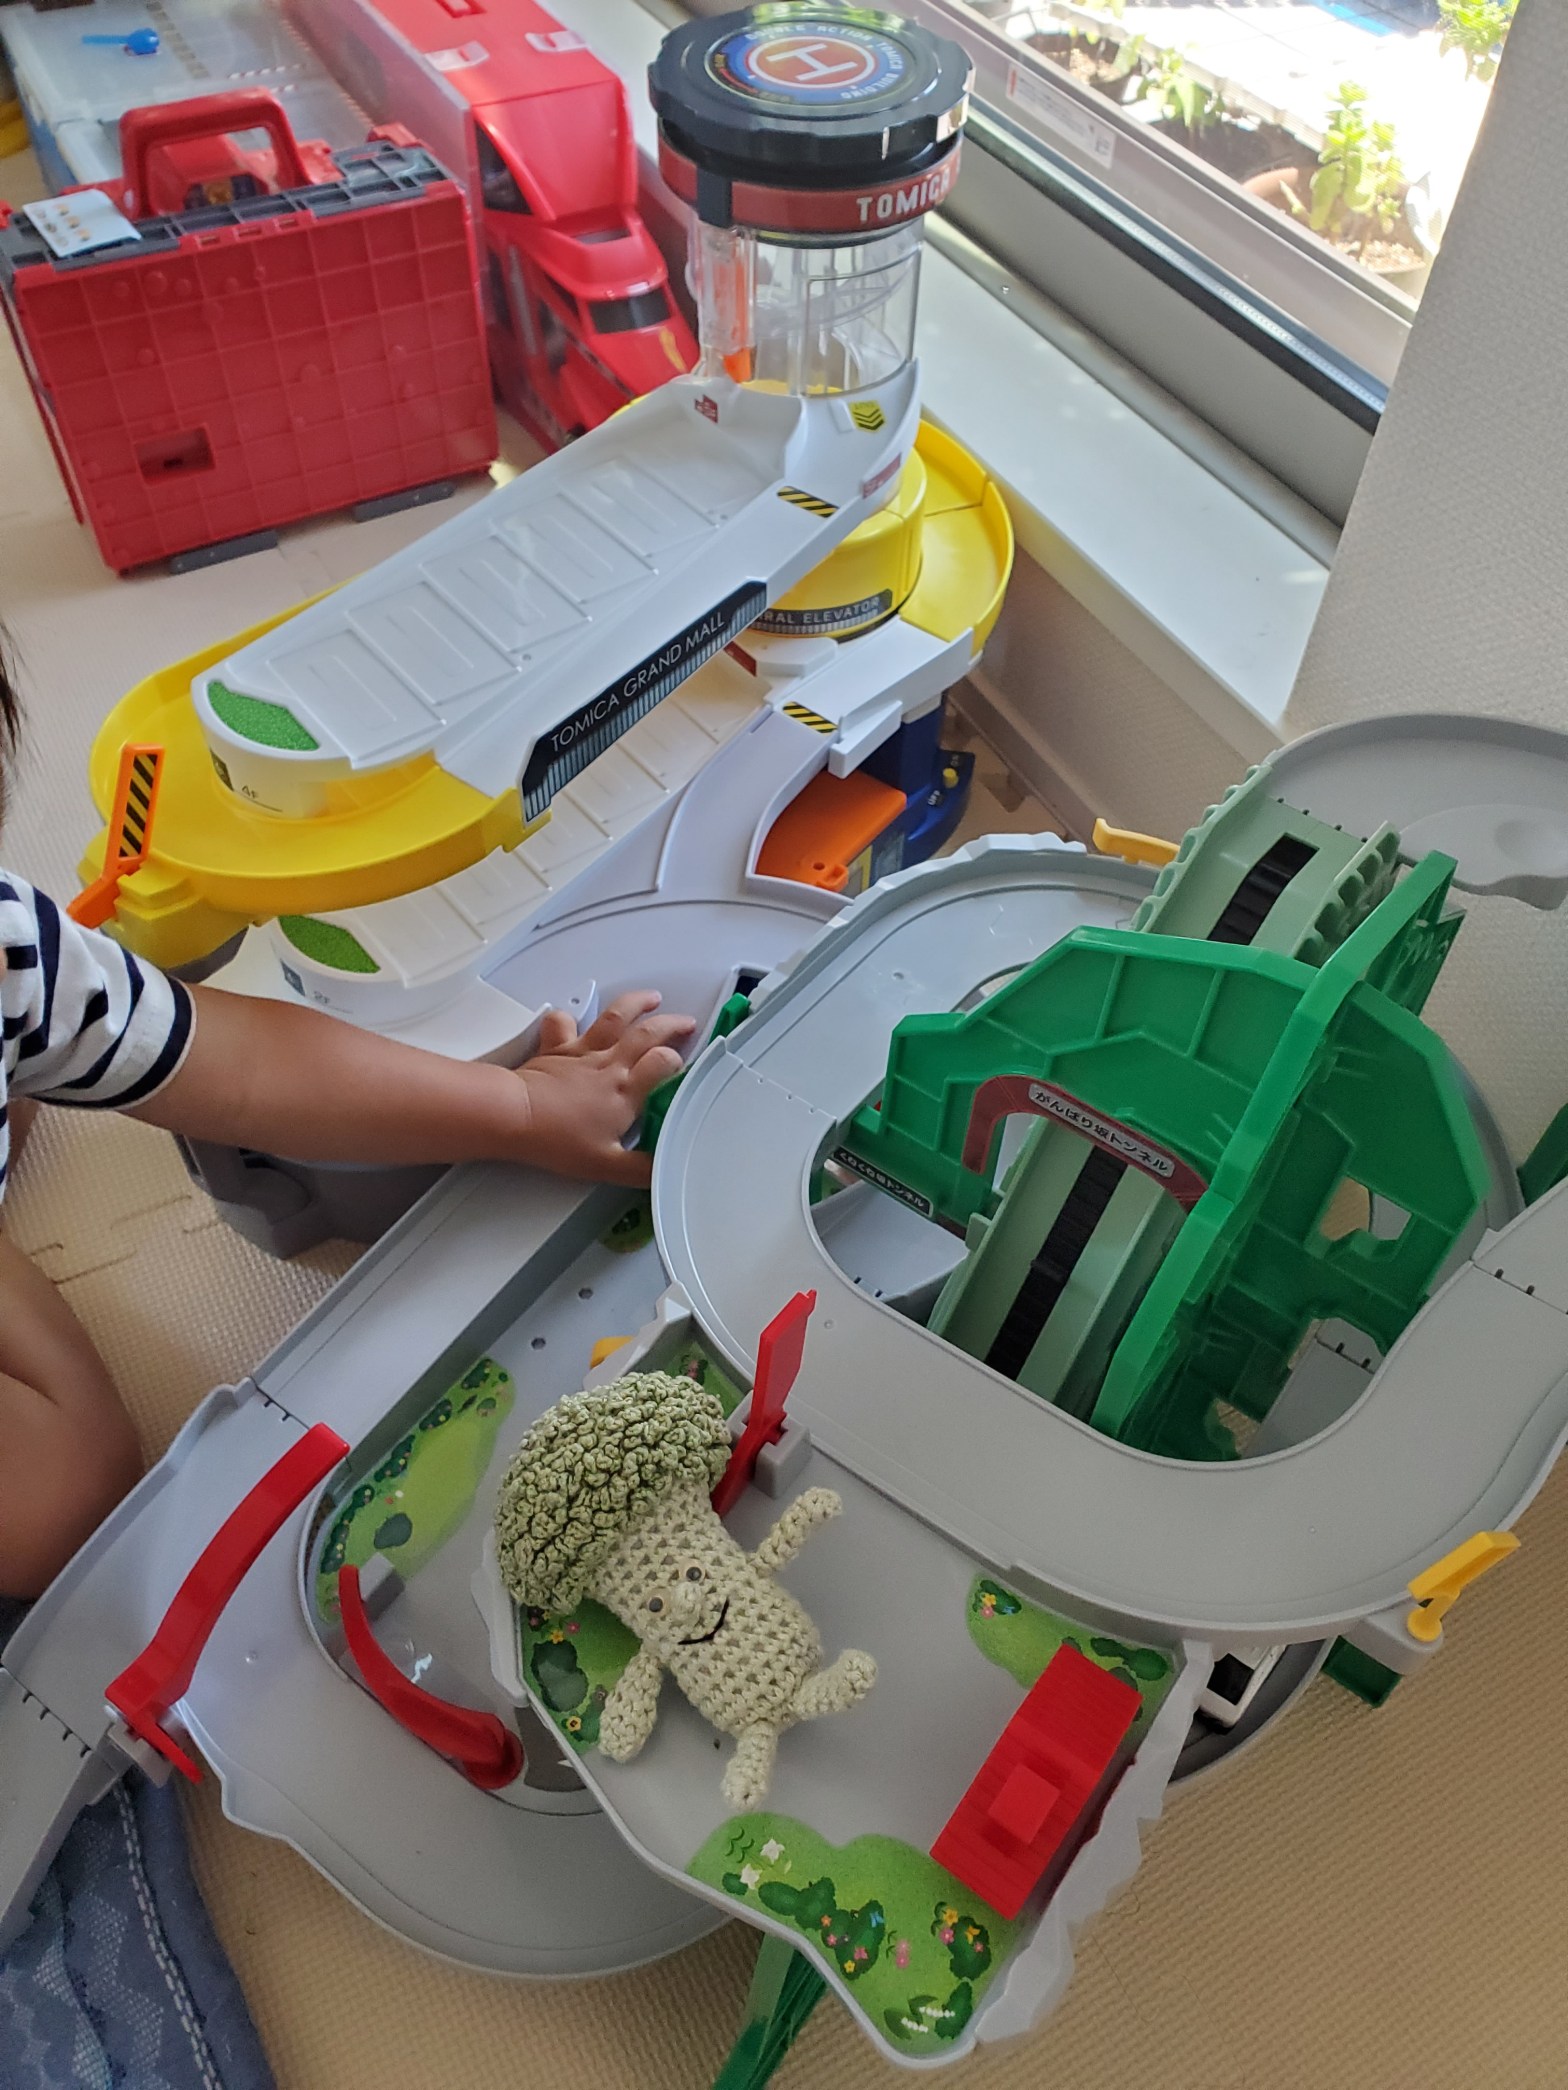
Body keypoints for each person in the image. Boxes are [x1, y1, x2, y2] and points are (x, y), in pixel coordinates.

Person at [0, 628, 694, 1599]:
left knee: (50, 1040)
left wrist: (521, 1104)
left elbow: (242, 1067)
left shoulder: (13, 952)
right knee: (70, 1489)